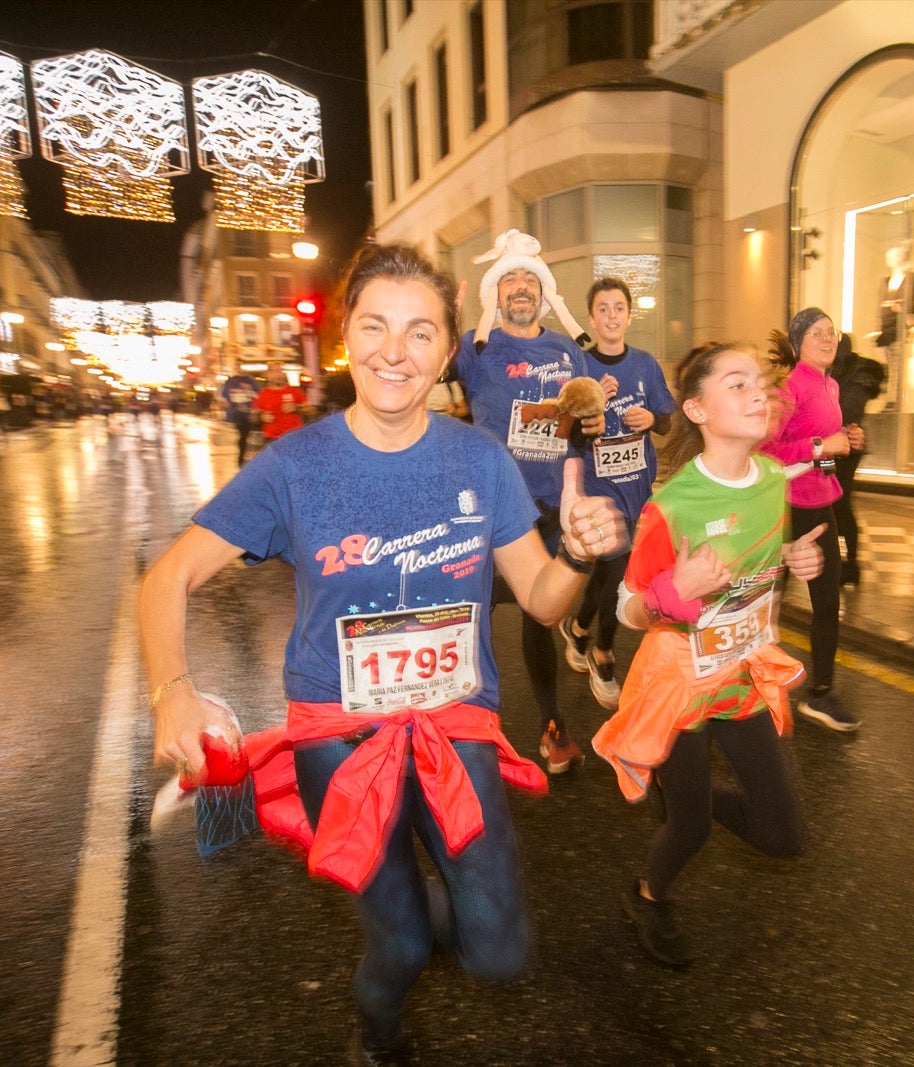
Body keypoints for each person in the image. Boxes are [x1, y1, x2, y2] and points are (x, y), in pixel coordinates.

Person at [140, 244, 627, 1065]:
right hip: (338, 739)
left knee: (499, 953)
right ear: (347, 337)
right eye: (374, 327)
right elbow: (167, 575)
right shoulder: (298, 465)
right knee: (398, 945)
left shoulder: (479, 458)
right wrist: (172, 691)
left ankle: (429, 902)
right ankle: (378, 1036)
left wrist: (577, 556)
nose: (394, 352)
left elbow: (541, 598)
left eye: (419, 333)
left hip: (454, 733)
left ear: (444, 351)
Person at [592, 341, 825, 968]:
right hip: (679, 684)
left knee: (782, 836)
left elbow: (755, 569)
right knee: (689, 831)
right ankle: (648, 894)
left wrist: (796, 561)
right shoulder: (670, 507)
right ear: (696, 409)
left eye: (760, 382)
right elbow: (628, 609)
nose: (757, 393)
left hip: (742, 673)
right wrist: (674, 592)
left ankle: (678, 789)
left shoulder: (774, 480)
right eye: (736, 383)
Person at [454, 229, 603, 774]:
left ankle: (549, 720)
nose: (520, 286)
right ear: (495, 292)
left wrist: (583, 453)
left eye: (530, 279)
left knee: (541, 616)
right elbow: (423, 369)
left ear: (543, 293)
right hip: (481, 507)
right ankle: (462, 722)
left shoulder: (566, 351)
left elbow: (581, 423)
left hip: (542, 507)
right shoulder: (477, 347)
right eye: (510, 278)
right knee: (469, 616)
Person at [558, 277, 675, 710]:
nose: (610, 316)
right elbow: (564, 435)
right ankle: (603, 654)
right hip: (599, 491)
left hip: (638, 489)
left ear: (629, 314)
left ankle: (578, 626)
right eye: (602, 309)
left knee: (607, 575)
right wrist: (593, 404)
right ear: (592, 317)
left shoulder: (644, 364)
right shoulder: (580, 366)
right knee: (619, 575)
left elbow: (666, 421)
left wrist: (650, 420)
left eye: (618, 308)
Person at [760, 308, 864, 733]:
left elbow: (825, 443)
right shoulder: (788, 387)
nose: (827, 338)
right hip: (785, 508)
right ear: (798, 341)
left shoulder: (831, 384)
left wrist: (849, 440)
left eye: (832, 332)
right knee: (767, 602)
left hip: (822, 502)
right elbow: (766, 452)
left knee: (827, 600)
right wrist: (824, 444)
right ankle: (755, 684)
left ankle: (821, 693)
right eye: (817, 333)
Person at [827, 334, 886, 588]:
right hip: (837, 448)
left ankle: (849, 563)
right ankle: (845, 563)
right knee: (837, 505)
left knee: (838, 505)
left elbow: (847, 413)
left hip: (844, 450)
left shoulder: (852, 376)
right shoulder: (845, 373)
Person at [252, 360, 308, 444]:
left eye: (280, 371)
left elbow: (310, 410)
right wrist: (261, 417)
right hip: (272, 439)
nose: (277, 375)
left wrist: (296, 407)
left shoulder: (295, 391)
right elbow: (253, 417)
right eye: (273, 372)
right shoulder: (262, 394)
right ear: (267, 375)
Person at [219, 366, 260, 465]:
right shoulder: (231, 382)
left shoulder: (250, 382)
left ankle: (245, 458)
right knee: (243, 435)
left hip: (249, 414)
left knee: (247, 436)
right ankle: (241, 458)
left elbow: (257, 395)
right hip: (239, 415)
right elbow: (225, 397)